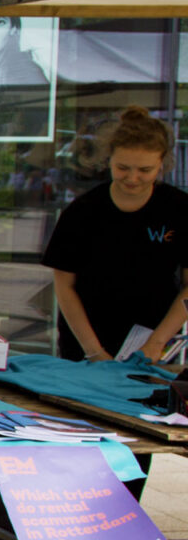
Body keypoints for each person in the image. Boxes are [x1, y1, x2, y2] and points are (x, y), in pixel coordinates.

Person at [43, 106, 188, 363]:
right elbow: (64, 286)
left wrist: (157, 343)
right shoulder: (82, 211)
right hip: (85, 342)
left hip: (154, 343)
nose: (133, 178)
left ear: (162, 163)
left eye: (145, 170)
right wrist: (94, 351)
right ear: (108, 159)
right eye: (123, 168)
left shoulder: (180, 209)